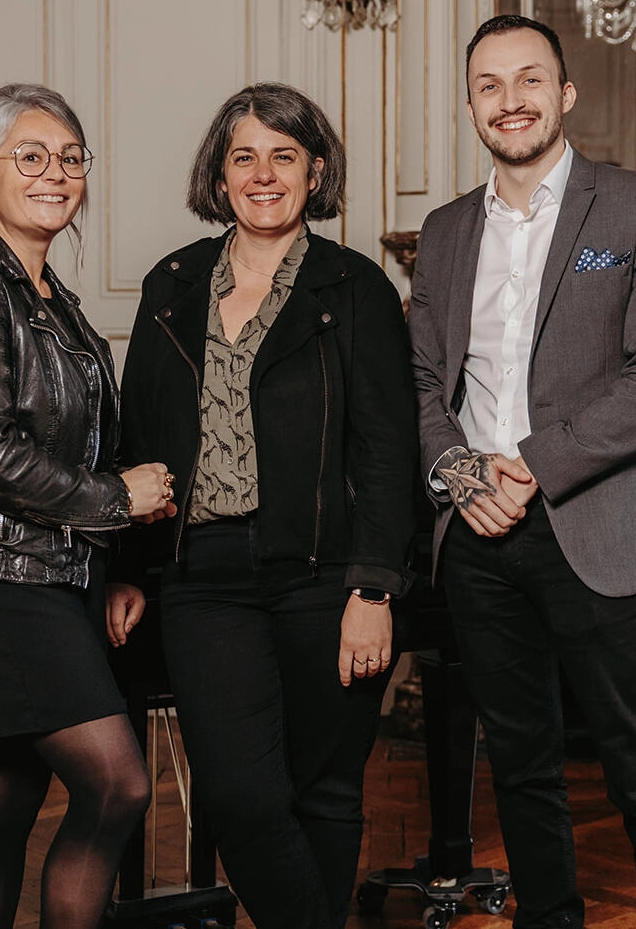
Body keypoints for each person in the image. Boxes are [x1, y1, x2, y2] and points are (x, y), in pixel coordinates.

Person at [408, 15, 636, 929]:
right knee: (519, 763)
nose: (511, 101)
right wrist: (460, 475)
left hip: (597, 522)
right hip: (476, 533)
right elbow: (422, 379)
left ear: (565, 93)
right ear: (470, 104)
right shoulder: (444, 228)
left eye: (529, 80)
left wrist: (533, 466)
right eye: (490, 85)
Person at [116, 81, 417, 929]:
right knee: (241, 796)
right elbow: (136, 437)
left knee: (324, 792)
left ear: (313, 169)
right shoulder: (169, 286)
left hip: (329, 578)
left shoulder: (354, 288)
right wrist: (129, 569)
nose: (263, 174)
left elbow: (389, 451)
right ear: (218, 174)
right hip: (204, 579)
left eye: (284, 155)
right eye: (243, 156)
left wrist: (373, 587)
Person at [0, 83, 177, 929]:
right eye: (31, 156)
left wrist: (119, 566)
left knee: (4, 800)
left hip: (55, 575)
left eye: (71, 158)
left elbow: (83, 442)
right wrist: (116, 504)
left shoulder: (56, 304)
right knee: (117, 783)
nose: (55, 173)